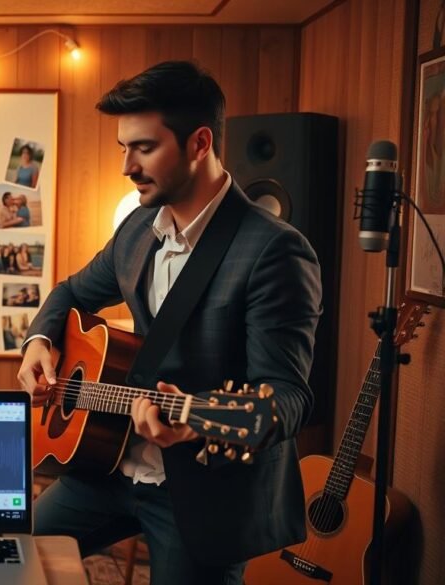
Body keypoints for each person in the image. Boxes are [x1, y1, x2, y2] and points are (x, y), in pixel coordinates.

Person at [16, 61, 321, 585]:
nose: (126, 166)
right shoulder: (137, 229)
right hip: (108, 469)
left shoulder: (274, 250)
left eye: (143, 148)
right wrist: (38, 342)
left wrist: (193, 421)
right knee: (6, 553)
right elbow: (69, 292)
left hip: (205, 490)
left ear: (200, 142)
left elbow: (288, 399)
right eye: (122, 148)